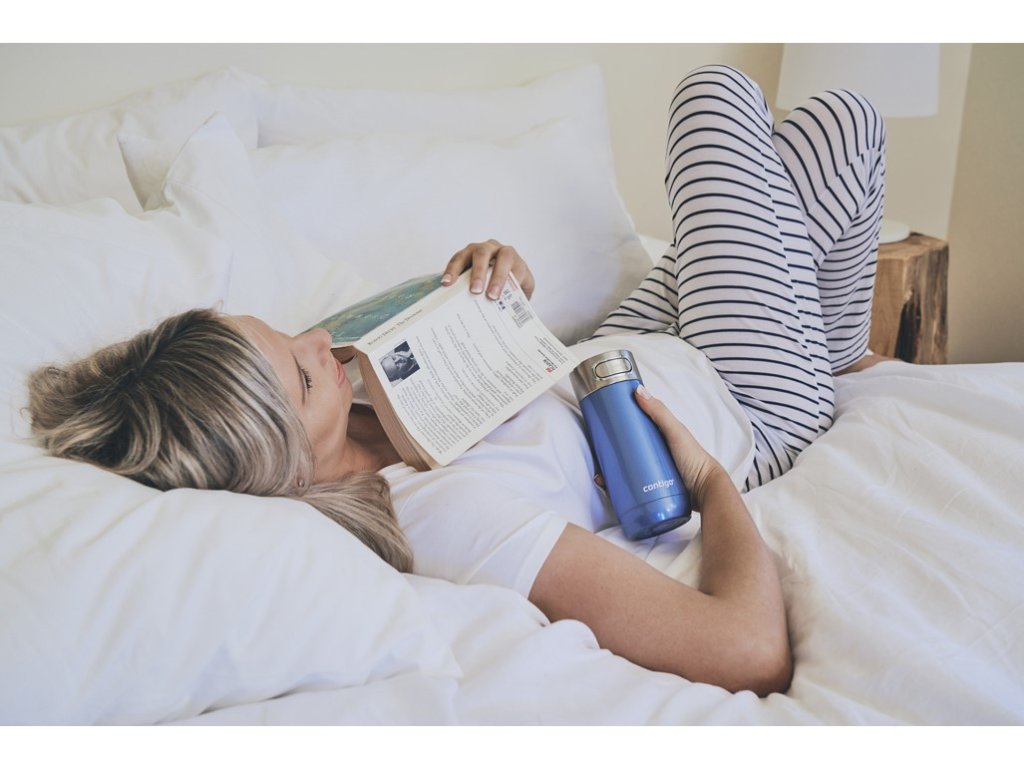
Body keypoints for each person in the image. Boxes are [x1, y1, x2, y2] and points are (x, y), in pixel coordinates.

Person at [27, 65, 891, 697]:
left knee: (837, 130)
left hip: (621, 345)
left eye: (291, 336)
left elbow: (500, 372)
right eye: (303, 372)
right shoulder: (442, 516)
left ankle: (836, 346)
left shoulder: (353, 386)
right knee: (720, 102)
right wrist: (708, 480)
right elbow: (746, 653)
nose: (322, 338)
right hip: (740, 399)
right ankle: (822, 365)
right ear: (280, 467)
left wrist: (497, 290)